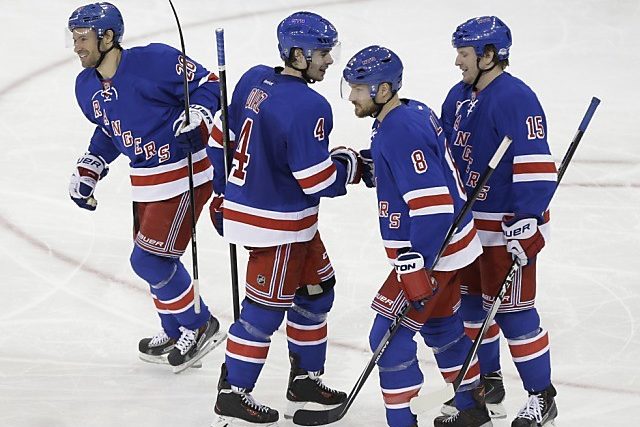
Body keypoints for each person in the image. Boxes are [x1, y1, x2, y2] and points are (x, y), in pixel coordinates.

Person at [209, 12, 360, 425]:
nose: (329, 61)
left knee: (316, 292)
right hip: (277, 225)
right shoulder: (309, 105)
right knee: (264, 310)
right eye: (322, 53)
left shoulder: (252, 78)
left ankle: (305, 380)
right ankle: (233, 392)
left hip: (284, 219)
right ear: (297, 54)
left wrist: (223, 192)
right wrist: (351, 167)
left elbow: (219, 140)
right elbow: (315, 179)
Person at [67, 2, 226, 373]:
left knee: (148, 260)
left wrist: (199, 113)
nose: (77, 47)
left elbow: (209, 85)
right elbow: (109, 128)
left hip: (185, 172)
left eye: (83, 38)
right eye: (74, 38)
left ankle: (200, 324)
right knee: (157, 261)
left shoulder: (155, 61)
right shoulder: (86, 86)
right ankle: (175, 330)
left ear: (108, 37)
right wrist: (93, 163)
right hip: (146, 182)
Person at [342, 45, 491, 427]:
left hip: (433, 250)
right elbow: (418, 168)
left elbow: (434, 207)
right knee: (442, 327)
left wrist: (417, 264)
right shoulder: (408, 113)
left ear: (383, 89)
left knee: (387, 338)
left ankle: (403, 421)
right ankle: (471, 408)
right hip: (452, 245)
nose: (352, 96)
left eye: (358, 88)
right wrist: (368, 163)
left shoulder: (399, 130)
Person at [441, 16, 559, 427]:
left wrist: (527, 222)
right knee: (472, 309)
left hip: (509, 227)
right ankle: (487, 384)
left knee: (513, 313)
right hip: (470, 227)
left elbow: (536, 166)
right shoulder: (458, 96)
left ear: (488, 55)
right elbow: (446, 155)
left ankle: (542, 396)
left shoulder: (516, 98)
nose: (458, 61)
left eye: (464, 53)